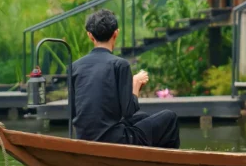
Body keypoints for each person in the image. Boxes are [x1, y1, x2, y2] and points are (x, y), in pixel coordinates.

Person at [69, 9, 180, 148]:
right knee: (170, 118)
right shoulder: (119, 64)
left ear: (90, 36)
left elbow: (73, 112)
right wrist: (135, 84)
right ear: (116, 33)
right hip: (115, 141)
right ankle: (164, 163)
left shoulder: (74, 67)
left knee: (143, 117)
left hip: (85, 139)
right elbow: (128, 112)